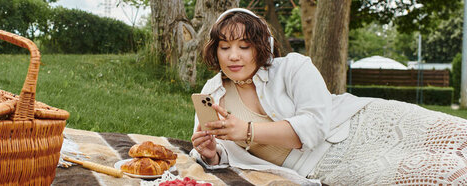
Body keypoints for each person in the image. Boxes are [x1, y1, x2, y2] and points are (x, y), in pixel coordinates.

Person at [189, 8, 467, 185]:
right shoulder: (212, 94)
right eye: (225, 47)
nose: (233, 56)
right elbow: (220, 155)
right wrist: (211, 154)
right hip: (327, 163)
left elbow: (315, 127)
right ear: (216, 50)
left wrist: (247, 130)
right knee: (448, 173)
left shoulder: (294, 67)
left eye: (244, 46)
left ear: (260, 48)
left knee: (461, 136)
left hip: (363, 122)